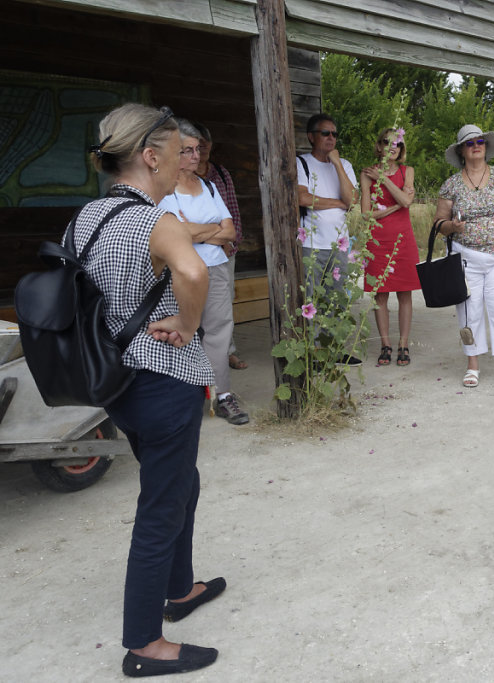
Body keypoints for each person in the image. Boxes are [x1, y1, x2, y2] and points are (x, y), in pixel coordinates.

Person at [79, 104, 224, 676]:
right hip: (163, 380)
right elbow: (194, 272)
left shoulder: (88, 217)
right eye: (175, 150)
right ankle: (143, 645)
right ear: (149, 156)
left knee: (181, 483)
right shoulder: (154, 220)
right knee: (161, 506)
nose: (183, 161)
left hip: (118, 381)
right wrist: (188, 324)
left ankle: (179, 588)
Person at [158, 119, 248, 425]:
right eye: (188, 150)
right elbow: (174, 234)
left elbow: (230, 231)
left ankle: (221, 395)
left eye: (197, 149)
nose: (196, 156)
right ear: (174, 152)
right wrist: (211, 230)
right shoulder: (164, 190)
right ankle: (182, 396)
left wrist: (195, 231)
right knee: (179, 331)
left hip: (216, 267)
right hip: (180, 270)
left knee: (219, 329)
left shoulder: (208, 186)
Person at [434, 124, 494, 392]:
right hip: (465, 259)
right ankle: (472, 366)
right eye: (470, 143)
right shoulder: (451, 184)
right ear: (461, 151)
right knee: (469, 314)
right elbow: (438, 223)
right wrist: (452, 226)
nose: (476, 146)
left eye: (480, 141)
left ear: (486, 146)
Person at [296, 113, 361, 364]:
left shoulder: (344, 164)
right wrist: (338, 202)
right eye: (325, 133)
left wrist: (336, 164)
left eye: (334, 134)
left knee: (337, 298)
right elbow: (303, 198)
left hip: (339, 244)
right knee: (311, 299)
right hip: (312, 245)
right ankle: (313, 354)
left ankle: (335, 350)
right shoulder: (302, 163)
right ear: (311, 136)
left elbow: (352, 200)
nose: (331, 138)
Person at [360, 127, 420, 367]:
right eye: (387, 142)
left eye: (398, 143)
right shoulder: (367, 173)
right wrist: (396, 207)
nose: (393, 147)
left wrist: (383, 180)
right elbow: (366, 215)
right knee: (380, 295)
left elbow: (407, 200)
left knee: (405, 293)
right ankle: (385, 344)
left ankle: (403, 344)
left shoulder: (407, 171)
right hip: (377, 240)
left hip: (403, 239)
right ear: (379, 146)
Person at [194, 121, 247, 371]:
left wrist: (230, 242)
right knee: (195, 303)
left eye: (206, 142)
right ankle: (199, 356)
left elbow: (233, 210)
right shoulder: (182, 177)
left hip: (224, 251)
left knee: (223, 303)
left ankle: (227, 352)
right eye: (197, 143)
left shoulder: (220, 173)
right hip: (193, 251)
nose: (202, 147)